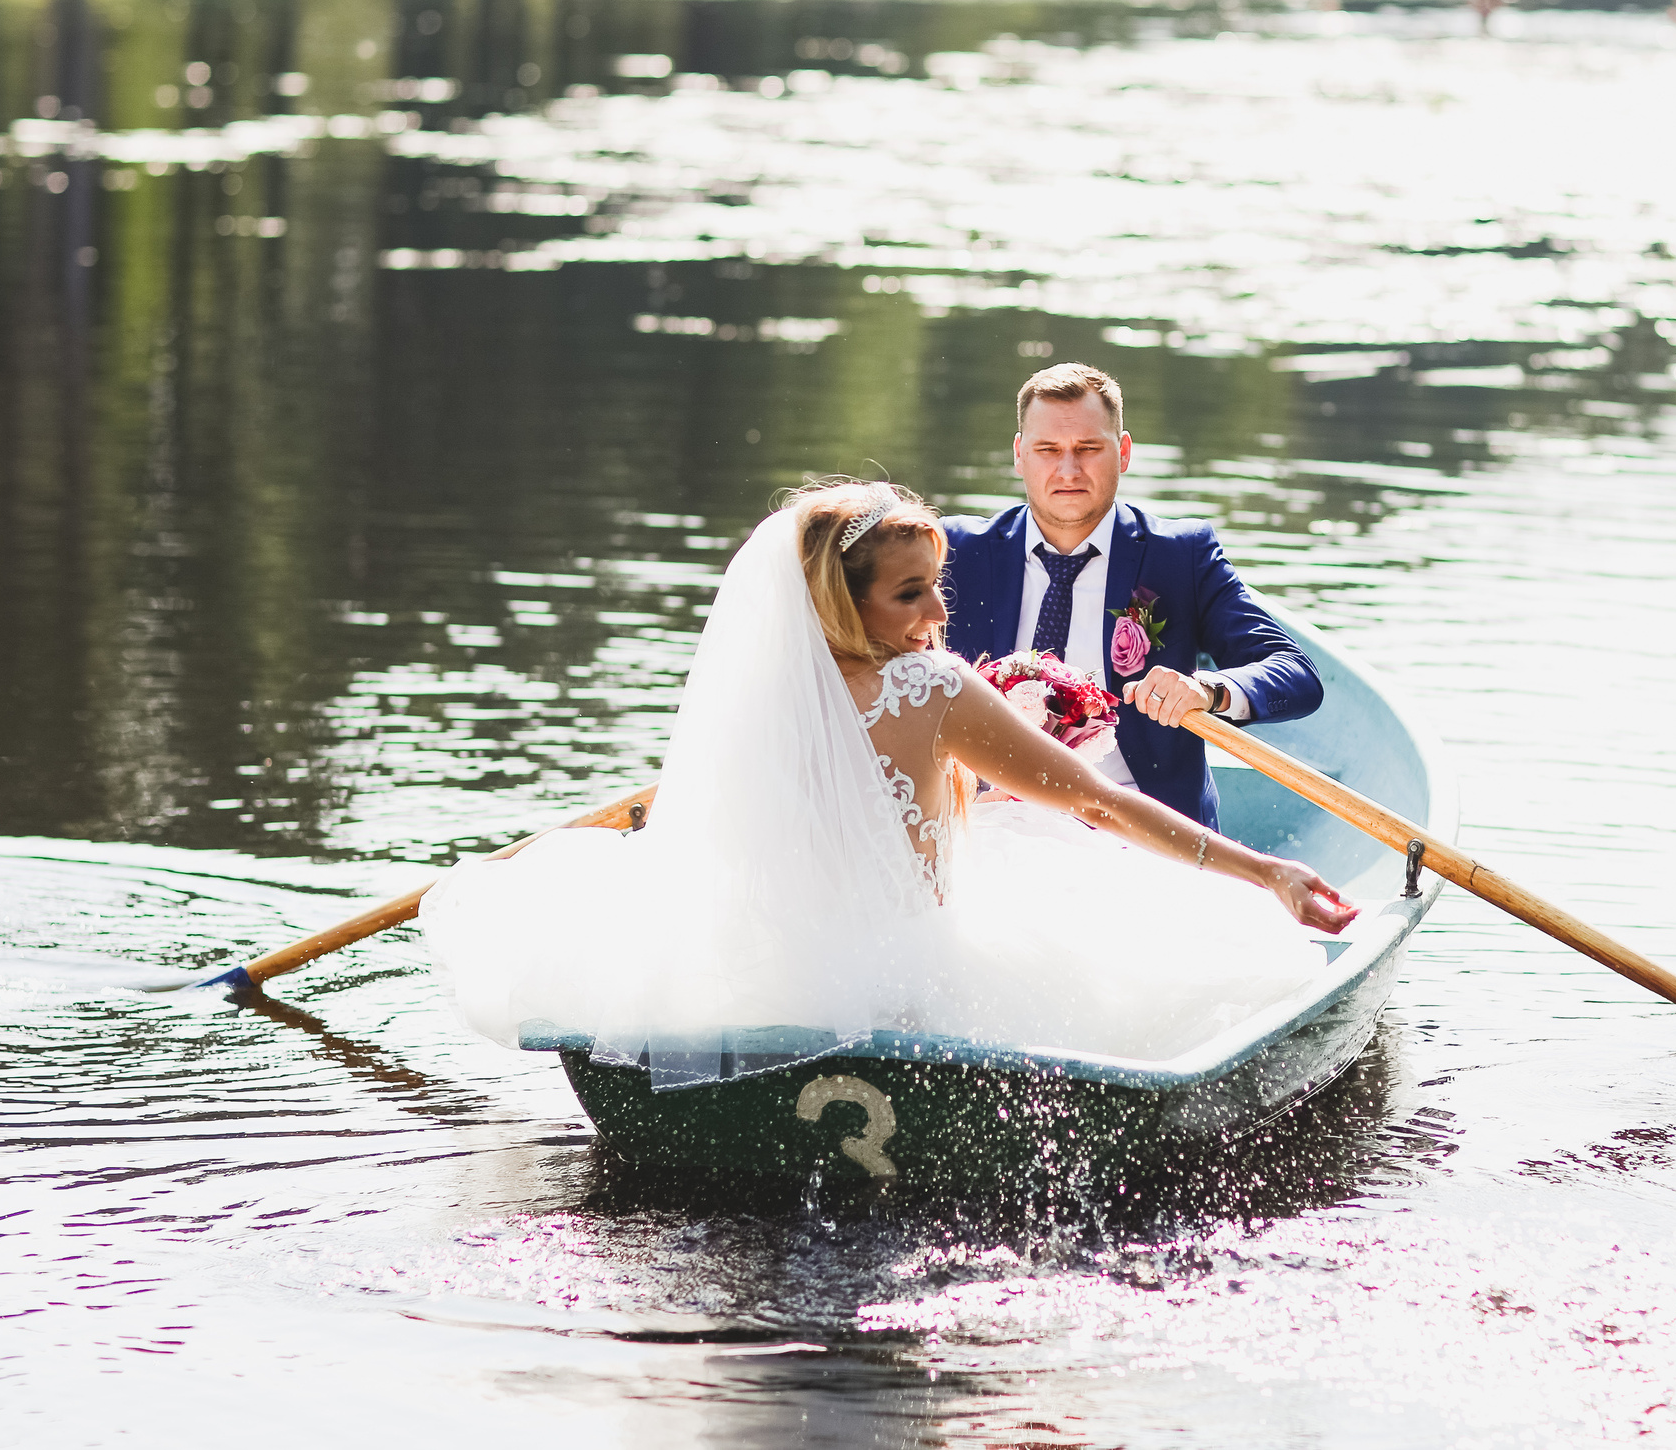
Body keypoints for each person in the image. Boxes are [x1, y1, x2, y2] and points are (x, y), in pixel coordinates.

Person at [420, 481, 1356, 1078]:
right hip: (912, 971)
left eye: (937, 583)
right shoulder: (933, 687)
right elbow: (1104, 803)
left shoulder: (761, 693)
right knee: (1189, 961)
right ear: (841, 596)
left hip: (765, 965)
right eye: (912, 592)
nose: (940, 610)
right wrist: (1266, 873)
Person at [939, 364, 1324, 832]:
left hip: (1139, 832)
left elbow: (1295, 672)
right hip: (984, 823)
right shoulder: (956, 551)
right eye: (1048, 450)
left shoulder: (1181, 555)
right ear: (1020, 455)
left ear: (1122, 452)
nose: (1068, 470)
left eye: (1087, 448)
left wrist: (1207, 690)